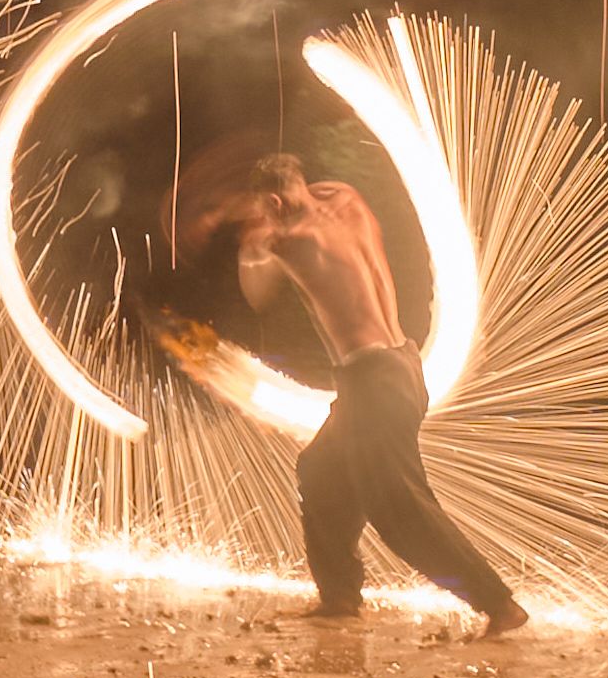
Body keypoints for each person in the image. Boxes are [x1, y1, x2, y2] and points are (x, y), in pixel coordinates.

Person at [155, 127, 529, 634]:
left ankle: (498, 604)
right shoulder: (345, 199)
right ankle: (339, 598)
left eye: (267, 208)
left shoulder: (285, 240)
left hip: (373, 383)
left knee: (400, 510)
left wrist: (235, 228)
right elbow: (299, 200)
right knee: (322, 471)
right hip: (400, 367)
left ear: (270, 201)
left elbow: (257, 292)